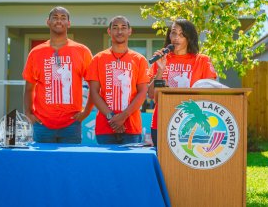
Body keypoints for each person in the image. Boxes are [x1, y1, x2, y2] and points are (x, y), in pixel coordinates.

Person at [23, 6, 93, 143]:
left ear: (69, 23)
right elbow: (29, 88)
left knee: (70, 163)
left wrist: (86, 113)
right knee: (42, 164)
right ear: (48, 22)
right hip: (42, 125)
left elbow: (94, 86)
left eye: (63, 18)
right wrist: (28, 113)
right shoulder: (36, 52)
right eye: (55, 18)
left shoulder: (82, 51)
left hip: (71, 125)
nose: (59, 21)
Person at [148, 19, 217, 147]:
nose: (176, 38)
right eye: (173, 33)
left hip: (191, 124)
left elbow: (210, 92)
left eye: (182, 34)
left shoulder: (202, 60)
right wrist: (160, 70)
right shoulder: (162, 59)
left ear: (189, 37)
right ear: (169, 36)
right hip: (162, 122)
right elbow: (152, 95)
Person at [86, 16, 150, 144]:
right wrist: (112, 118)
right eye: (115, 28)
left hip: (131, 127)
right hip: (105, 128)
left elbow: (143, 92)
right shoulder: (98, 59)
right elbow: (94, 92)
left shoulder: (139, 60)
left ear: (129, 31)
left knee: (130, 164)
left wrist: (123, 116)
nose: (119, 31)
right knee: (106, 164)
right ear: (109, 32)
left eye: (123, 28)